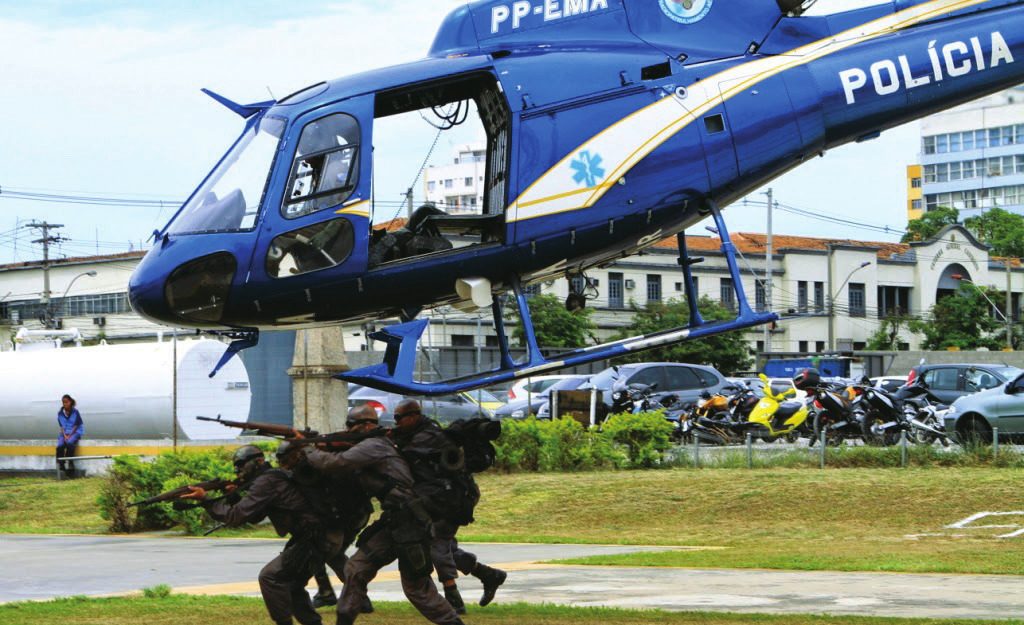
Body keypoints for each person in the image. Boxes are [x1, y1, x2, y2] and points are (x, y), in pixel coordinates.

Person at [303, 406, 464, 625]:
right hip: (395, 521)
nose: (348, 430)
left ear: (364, 426)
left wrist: (307, 449)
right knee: (355, 569)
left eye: (350, 425)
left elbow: (335, 463)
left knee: (416, 588)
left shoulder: (374, 445)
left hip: (411, 522)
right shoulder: (376, 444)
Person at [183, 445, 341, 625]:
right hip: (322, 535)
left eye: (241, 465)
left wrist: (205, 499)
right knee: (291, 585)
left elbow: (235, 517)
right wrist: (233, 496)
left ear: (258, 461)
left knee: (270, 577)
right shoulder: (271, 478)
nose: (238, 470)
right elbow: (255, 516)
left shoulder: (267, 481)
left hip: (316, 537)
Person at [390, 399, 506, 614]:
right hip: (443, 497)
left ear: (413, 416)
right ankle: (488, 575)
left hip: (453, 498)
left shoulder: (427, 436)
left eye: (399, 418)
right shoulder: (420, 433)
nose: (396, 422)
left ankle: (453, 598)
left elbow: (404, 453)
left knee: (437, 543)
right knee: (446, 547)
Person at [275, 440, 374, 613]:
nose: (284, 466)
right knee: (319, 549)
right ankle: (330, 592)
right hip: (344, 515)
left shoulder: (309, 467)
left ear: (296, 455)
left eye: (286, 460)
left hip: (348, 515)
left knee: (327, 552)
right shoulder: (314, 462)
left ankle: (353, 596)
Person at [56, 394, 84, 478]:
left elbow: (76, 425)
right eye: (63, 402)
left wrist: (69, 436)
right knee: (60, 446)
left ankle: (70, 461)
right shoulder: (60, 413)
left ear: (70, 402)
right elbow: (61, 426)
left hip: (75, 432)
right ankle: (61, 464)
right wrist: (64, 435)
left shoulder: (75, 412)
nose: (65, 404)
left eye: (66, 402)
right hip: (64, 433)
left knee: (69, 443)